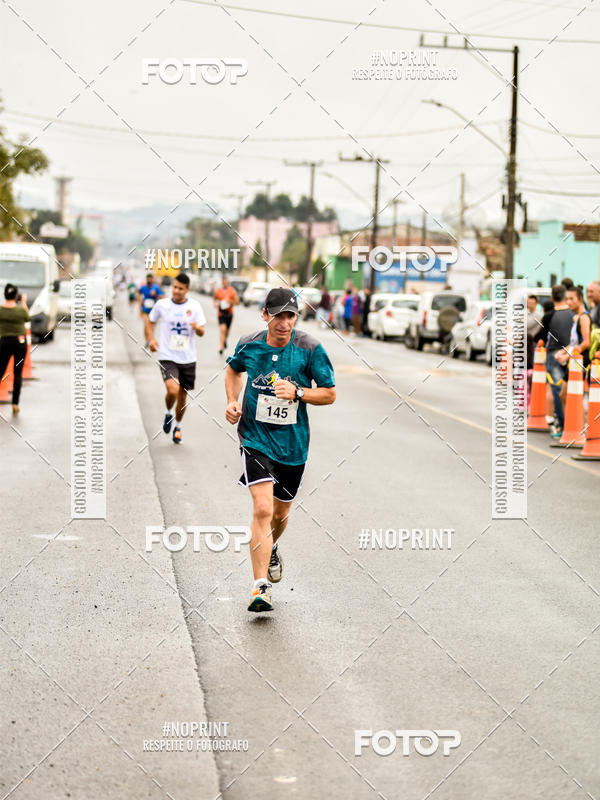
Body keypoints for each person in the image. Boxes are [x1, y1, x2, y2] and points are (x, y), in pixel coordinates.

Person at [224, 288, 336, 613]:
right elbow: (233, 369)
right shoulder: (249, 344)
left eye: (290, 315)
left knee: (279, 514)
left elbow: (329, 394)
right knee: (261, 509)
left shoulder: (310, 349)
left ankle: (271, 546)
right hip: (255, 439)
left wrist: (299, 392)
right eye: (278, 315)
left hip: (293, 446)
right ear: (265, 315)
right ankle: (260, 587)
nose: (284, 322)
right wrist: (232, 401)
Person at [146, 273, 206, 444]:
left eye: (180, 288)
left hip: (188, 357)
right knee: (172, 390)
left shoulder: (195, 306)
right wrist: (151, 338)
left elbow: (202, 332)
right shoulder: (162, 305)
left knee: (182, 396)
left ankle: (177, 426)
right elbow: (150, 321)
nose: (177, 291)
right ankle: (168, 412)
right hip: (167, 356)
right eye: (174, 287)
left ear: (187, 290)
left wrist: (197, 328)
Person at [545, 284, 574, 439]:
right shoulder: (573, 314)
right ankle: (568, 424)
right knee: (570, 391)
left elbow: (542, 337)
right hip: (571, 353)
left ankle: (562, 425)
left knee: (556, 390)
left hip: (554, 353)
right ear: (564, 296)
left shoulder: (549, 315)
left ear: (552, 297)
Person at [0, 284, 29, 415]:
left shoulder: (1, 310)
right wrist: (23, 302)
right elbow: (27, 318)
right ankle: (15, 403)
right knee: (17, 373)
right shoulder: (20, 310)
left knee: (1, 370)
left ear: (4, 295)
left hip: (4, 342)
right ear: (16, 295)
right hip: (20, 342)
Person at [565, 286, 591, 370]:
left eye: (571, 299)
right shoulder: (578, 317)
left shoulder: (584, 318)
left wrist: (567, 356)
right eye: (567, 299)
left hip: (582, 361)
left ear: (580, 299)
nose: (568, 302)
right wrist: (563, 352)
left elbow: (586, 342)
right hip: (576, 359)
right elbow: (575, 342)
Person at [213, 276, 239, 355]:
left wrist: (230, 301)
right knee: (222, 330)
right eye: (223, 281)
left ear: (227, 282)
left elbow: (237, 302)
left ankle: (224, 340)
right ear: (222, 282)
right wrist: (215, 303)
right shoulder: (219, 291)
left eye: (226, 281)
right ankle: (221, 347)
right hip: (221, 313)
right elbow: (215, 298)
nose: (224, 283)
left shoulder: (232, 291)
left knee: (226, 332)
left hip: (229, 314)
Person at [139, 274, 163, 346]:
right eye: (148, 279)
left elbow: (161, 296)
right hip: (145, 309)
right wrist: (139, 303)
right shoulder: (143, 287)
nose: (149, 280)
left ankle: (150, 339)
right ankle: (147, 340)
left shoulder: (156, 287)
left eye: (150, 279)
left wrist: (155, 295)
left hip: (154, 310)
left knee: (152, 326)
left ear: (152, 279)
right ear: (146, 279)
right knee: (146, 324)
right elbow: (138, 293)